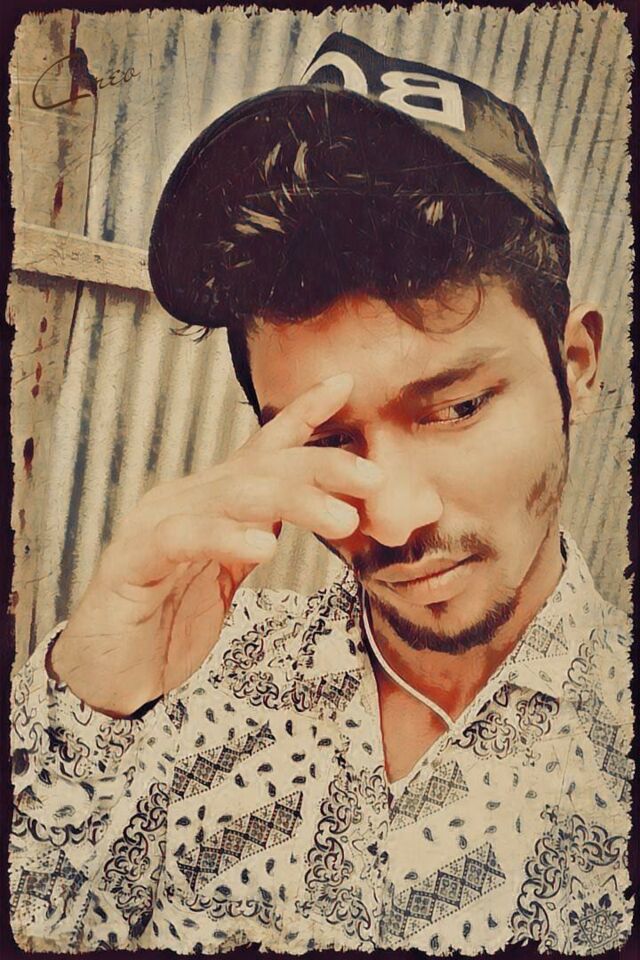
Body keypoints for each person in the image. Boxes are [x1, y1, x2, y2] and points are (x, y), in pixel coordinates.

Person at [10, 31, 632, 955]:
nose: (393, 518)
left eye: (457, 408)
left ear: (575, 365)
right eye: (329, 439)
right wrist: (90, 704)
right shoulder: (199, 679)